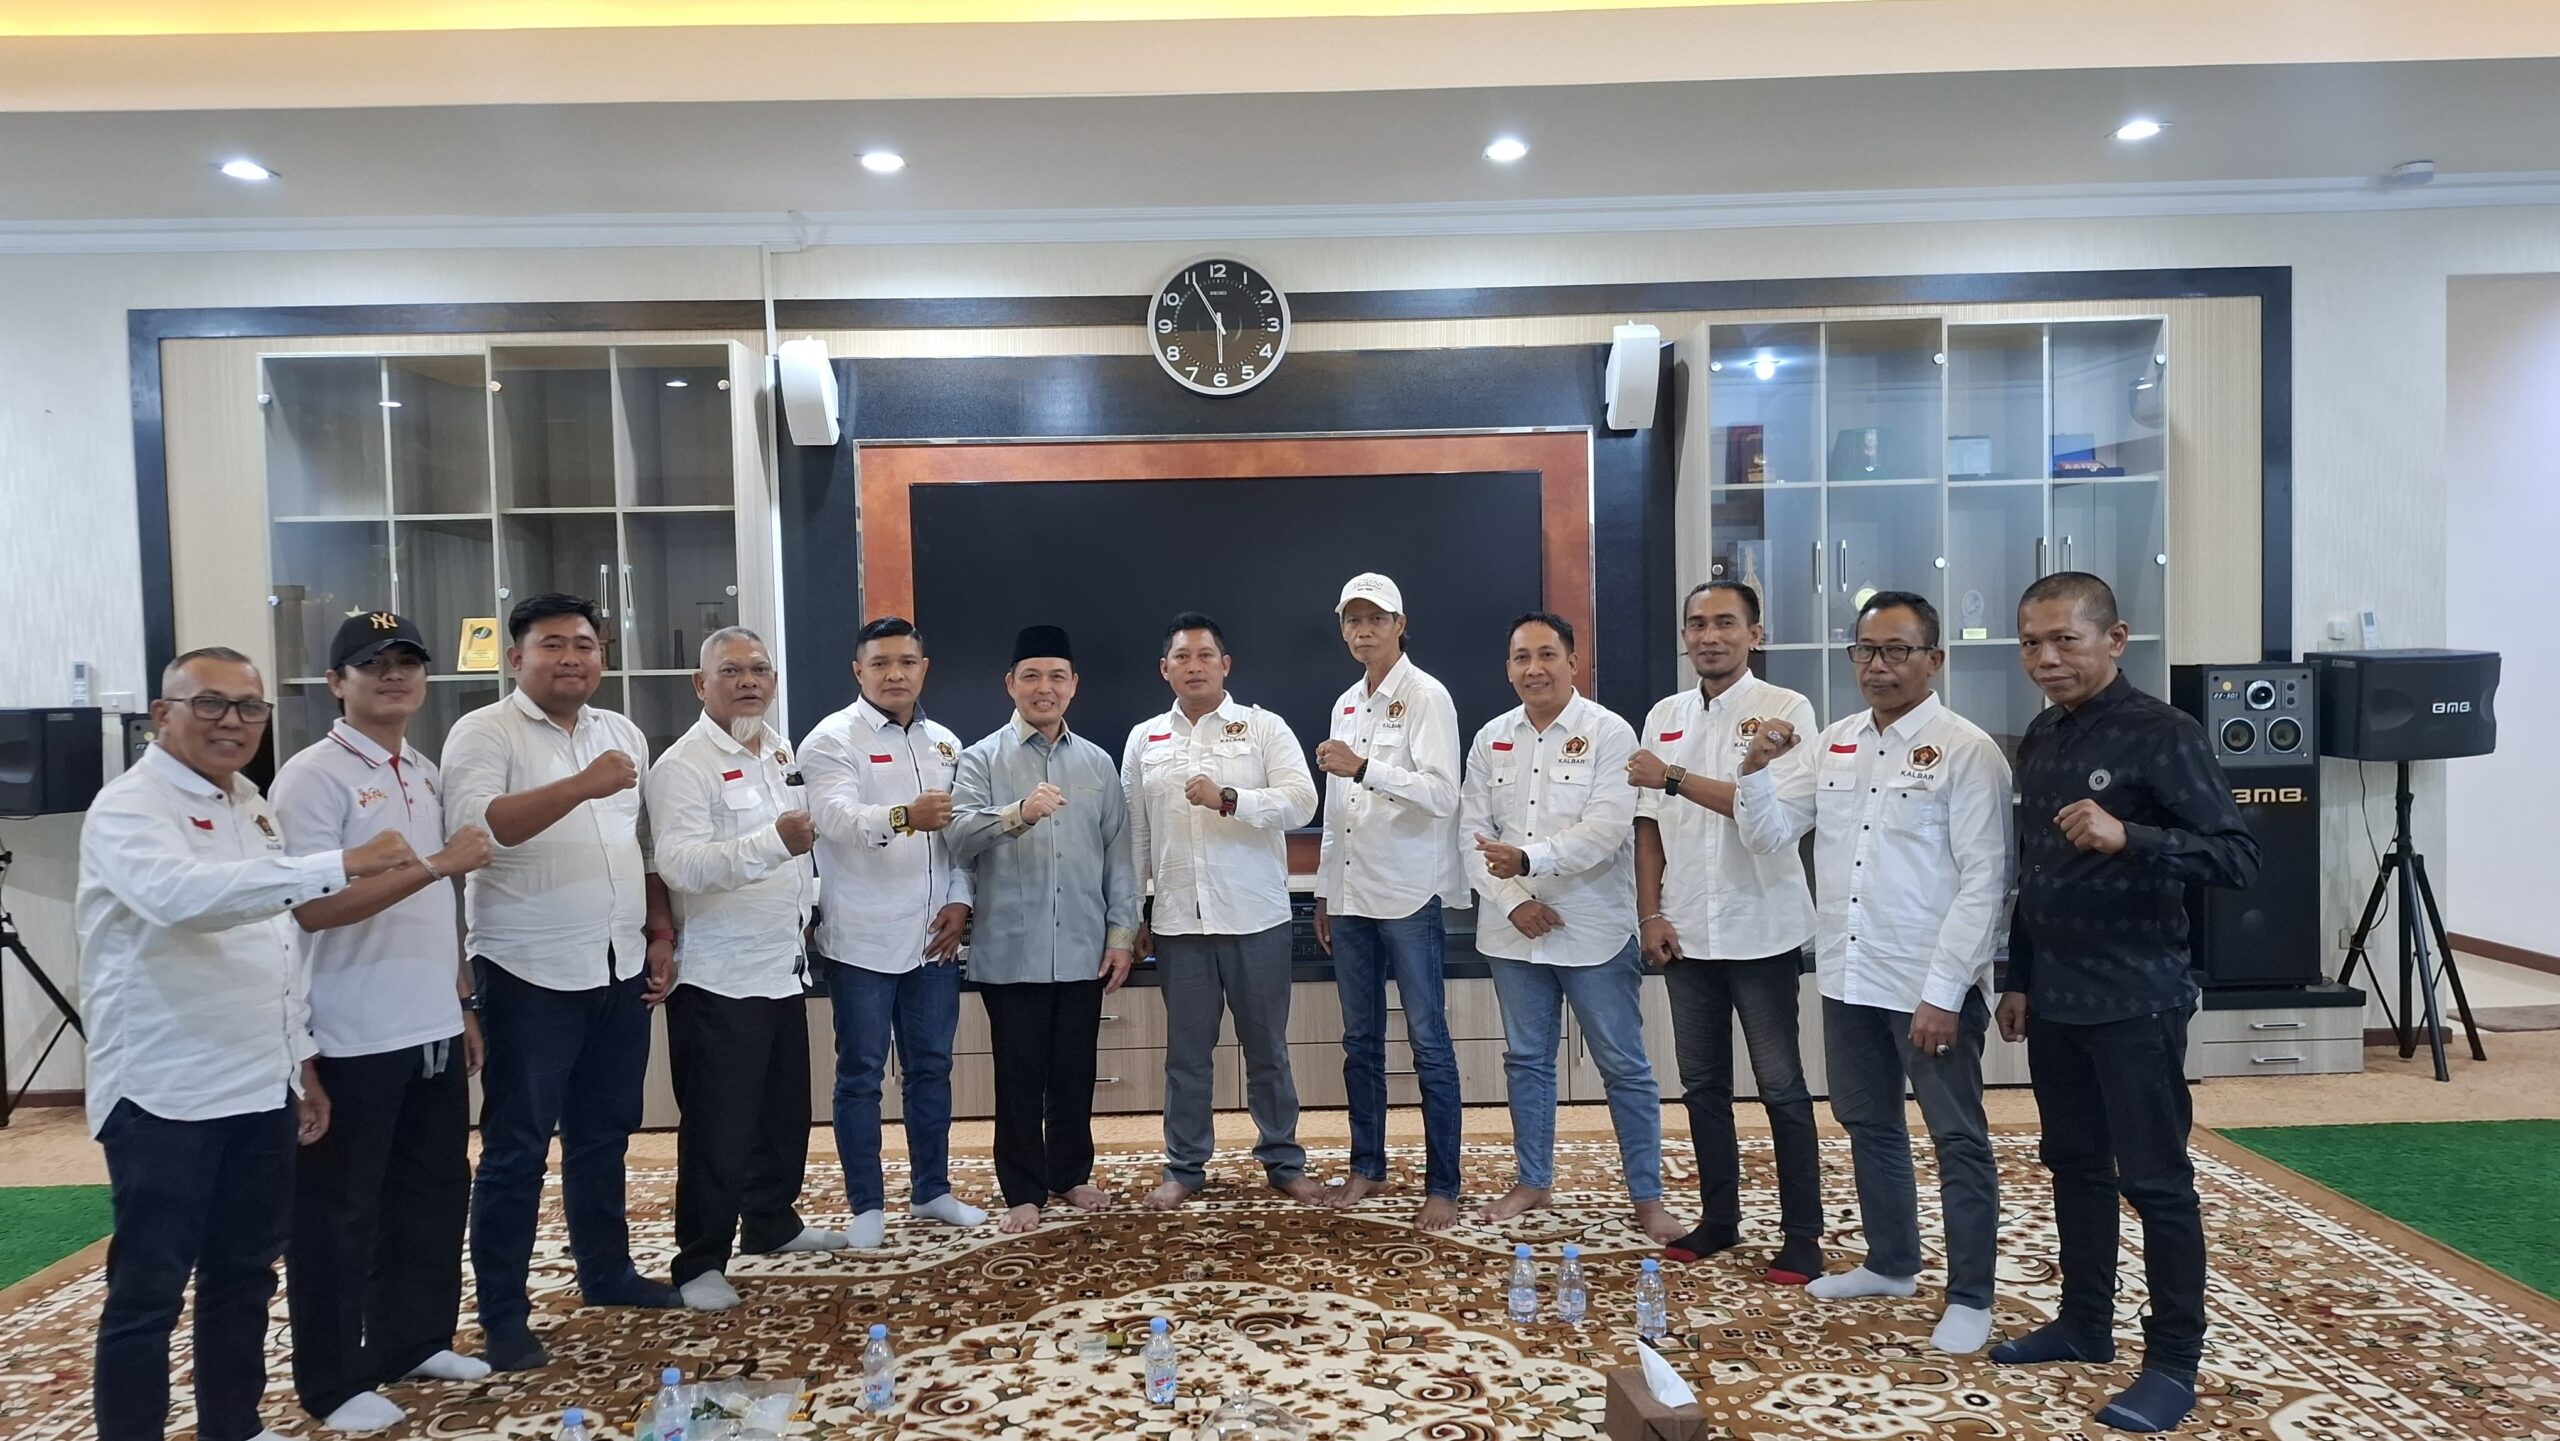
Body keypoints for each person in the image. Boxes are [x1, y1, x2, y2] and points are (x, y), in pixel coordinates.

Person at [78, 646, 422, 1441]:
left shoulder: (251, 804)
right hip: (164, 1088)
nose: (232, 721)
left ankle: (231, 1424)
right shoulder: (129, 808)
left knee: (243, 1272)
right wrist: (339, 862)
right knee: (149, 1289)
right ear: (162, 714)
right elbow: (185, 899)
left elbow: (276, 942)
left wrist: (298, 1061)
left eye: (249, 707)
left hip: (258, 1080)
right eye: (210, 703)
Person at [1990, 572, 2261, 1434]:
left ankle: (2174, 1361)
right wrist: (2018, 976)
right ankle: (2084, 1322)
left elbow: (2238, 856)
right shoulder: (2042, 735)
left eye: (2064, 639)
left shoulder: (2164, 733)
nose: (2045, 657)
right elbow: (2036, 871)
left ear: (2115, 639)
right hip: (2057, 997)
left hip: (2136, 995)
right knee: (2074, 1164)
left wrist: (2129, 835)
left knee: (2156, 1181)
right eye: (2031, 642)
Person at [1732, 590, 2012, 1356]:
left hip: (1929, 985)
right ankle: (1891, 1263)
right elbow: (1767, 834)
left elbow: (1986, 882)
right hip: (1848, 974)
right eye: (1865, 649)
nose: (1877, 665)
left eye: (1896, 650)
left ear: (1934, 659)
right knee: (1868, 1123)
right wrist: (1754, 768)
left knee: (1956, 1137)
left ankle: (1972, 1295)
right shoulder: (1837, 742)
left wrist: (1945, 992)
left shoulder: (1966, 750)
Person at [442, 592, 680, 1373]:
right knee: (516, 1147)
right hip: (527, 969)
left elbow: (640, 845)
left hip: (616, 963)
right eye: (553, 644)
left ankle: (606, 1271)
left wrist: (659, 931)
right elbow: (479, 830)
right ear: (517, 658)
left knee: (604, 1132)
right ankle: (503, 1314)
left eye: (584, 644)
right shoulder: (484, 731)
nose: (572, 657)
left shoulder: (621, 732)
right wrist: (580, 783)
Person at [269, 614, 497, 1433]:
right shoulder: (312, 777)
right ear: (338, 682)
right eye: (373, 665)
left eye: (407, 661)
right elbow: (311, 907)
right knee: (339, 1211)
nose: (394, 676)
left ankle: (414, 1339)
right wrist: (436, 864)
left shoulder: (422, 769)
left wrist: (461, 1000)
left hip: (428, 1019)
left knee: (432, 1190)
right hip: (350, 1027)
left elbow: (436, 906)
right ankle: (332, 1381)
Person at [1461, 611, 1685, 1244]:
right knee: (1527, 1061)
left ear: (1572, 662)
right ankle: (1533, 1181)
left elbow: (1607, 829)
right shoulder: (1491, 738)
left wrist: (1529, 861)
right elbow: (1469, 832)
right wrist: (1513, 900)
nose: (1533, 669)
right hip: (1512, 931)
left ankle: (1647, 1197)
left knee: (1624, 1065)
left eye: (1546, 655)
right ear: (1508, 669)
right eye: (1521, 658)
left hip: (1593, 929)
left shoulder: (1609, 733)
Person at [644, 627, 849, 1313]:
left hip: (781, 967)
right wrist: (772, 843)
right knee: (718, 1126)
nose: (748, 681)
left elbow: (801, 847)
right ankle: (699, 1258)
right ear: (700, 684)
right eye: (730, 671)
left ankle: (771, 1222)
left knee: (782, 1115)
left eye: (759, 669)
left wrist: (808, 900)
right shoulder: (684, 765)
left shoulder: (779, 749)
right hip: (718, 976)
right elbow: (679, 864)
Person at [1629, 580, 1825, 1280]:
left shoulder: (1786, 711)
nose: (1709, 636)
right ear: (1684, 635)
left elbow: (1767, 821)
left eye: (1725, 623)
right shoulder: (1665, 714)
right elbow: (1647, 825)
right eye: (1697, 624)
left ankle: (1803, 1234)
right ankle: (1719, 1219)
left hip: (1761, 929)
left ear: (1754, 633)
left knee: (1781, 1086)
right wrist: (1649, 912)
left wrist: (1674, 775)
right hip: (1685, 930)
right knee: (1703, 1085)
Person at [945, 625, 1142, 1235]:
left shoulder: (1098, 763)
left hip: (1083, 946)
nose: (1044, 688)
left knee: (1074, 1071)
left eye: (1057, 676)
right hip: (1011, 949)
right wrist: (1018, 813)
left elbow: (1119, 857)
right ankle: (1023, 1190)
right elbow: (958, 837)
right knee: (1019, 1076)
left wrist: (1121, 936)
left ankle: (1070, 1174)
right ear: (1010, 684)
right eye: (1031, 676)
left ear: (1074, 685)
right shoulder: (980, 759)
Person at [1123, 611, 1322, 1211]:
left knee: (1268, 1053)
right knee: (1186, 1058)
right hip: (1179, 923)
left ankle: (1283, 1163)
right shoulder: (1144, 739)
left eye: (1205, 655)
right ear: (1164, 669)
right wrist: (1134, 916)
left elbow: (1302, 801)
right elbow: (1135, 836)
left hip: (1256, 918)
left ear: (1225, 665)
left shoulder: (1263, 728)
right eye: (1182, 657)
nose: (1194, 666)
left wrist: (1230, 798)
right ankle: (1184, 1168)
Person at [799, 616, 987, 1247]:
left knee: (931, 1067)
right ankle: (866, 1205)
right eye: (880, 663)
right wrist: (905, 815)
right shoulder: (831, 738)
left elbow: (958, 840)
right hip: (862, 938)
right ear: (859, 671)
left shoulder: (946, 743)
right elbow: (834, 818)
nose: (894, 674)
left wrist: (960, 902)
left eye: (906, 662)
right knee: (860, 1074)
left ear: (923, 669)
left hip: (934, 939)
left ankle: (932, 1190)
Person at [1311, 573, 1468, 1231]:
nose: (1364, 630)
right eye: (1353, 619)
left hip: (1408, 894)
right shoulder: (1346, 702)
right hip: (1351, 895)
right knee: (1360, 1040)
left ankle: (1443, 1185)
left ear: (1401, 625)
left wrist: (1366, 768)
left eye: (1376, 618)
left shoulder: (1427, 695)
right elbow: (1336, 811)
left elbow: (1443, 794)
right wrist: (1324, 889)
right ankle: (1367, 1166)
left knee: (1428, 1039)